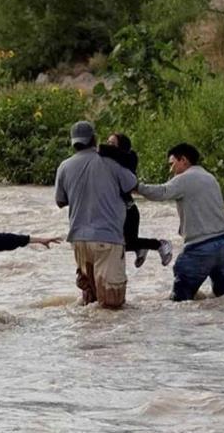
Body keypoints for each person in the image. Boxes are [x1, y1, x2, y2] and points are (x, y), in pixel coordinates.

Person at [136, 143, 224, 301]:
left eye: (172, 163)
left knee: (180, 300)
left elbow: (161, 192)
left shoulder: (185, 178)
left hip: (200, 248)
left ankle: (186, 327)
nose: (171, 169)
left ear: (183, 160)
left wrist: (136, 187)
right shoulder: (210, 178)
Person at [54, 121, 137, 308]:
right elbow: (132, 184)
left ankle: (90, 338)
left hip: (78, 241)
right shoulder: (110, 163)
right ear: (94, 139)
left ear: (73, 142)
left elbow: (60, 201)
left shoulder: (64, 167)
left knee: (89, 300)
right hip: (107, 239)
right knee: (112, 305)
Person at [99, 133, 173, 267]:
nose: (107, 146)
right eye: (107, 142)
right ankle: (141, 247)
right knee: (117, 244)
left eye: (112, 143)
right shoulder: (110, 161)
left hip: (129, 211)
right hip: (122, 210)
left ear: (121, 147)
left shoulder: (125, 161)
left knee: (122, 244)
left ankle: (160, 244)